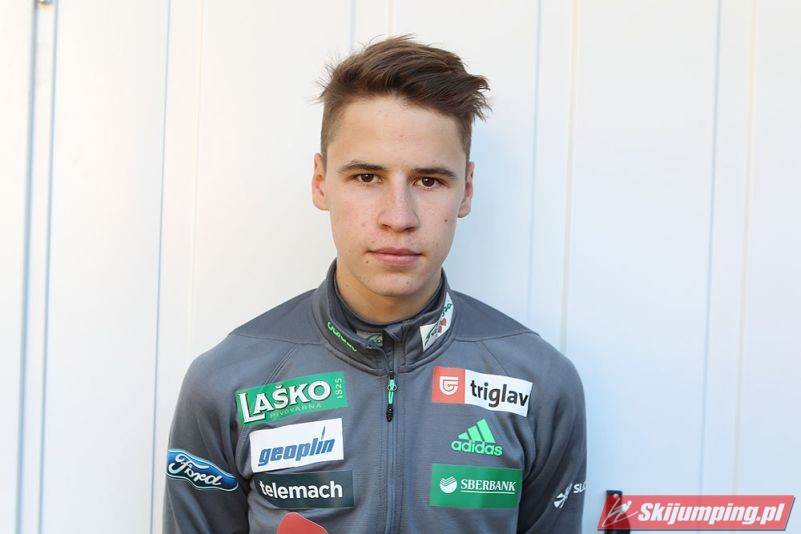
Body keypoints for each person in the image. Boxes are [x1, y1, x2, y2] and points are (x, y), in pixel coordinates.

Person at [164, 35, 586, 533]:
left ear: (466, 190)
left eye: (429, 181)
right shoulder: (227, 381)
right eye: (367, 177)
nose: (399, 217)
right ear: (320, 182)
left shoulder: (539, 382)